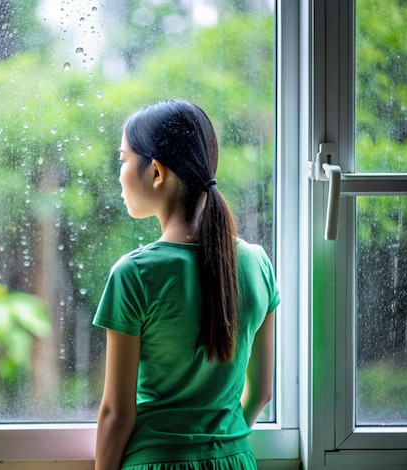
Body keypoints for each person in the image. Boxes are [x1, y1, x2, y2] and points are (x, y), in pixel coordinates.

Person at [93, 99, 279, 470]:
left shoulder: (135, 274)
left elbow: (117, 413)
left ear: (157, 172)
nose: (119, 174)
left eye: (123, 159)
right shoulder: (257, 262)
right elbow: (261, 392)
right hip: (235, 460)